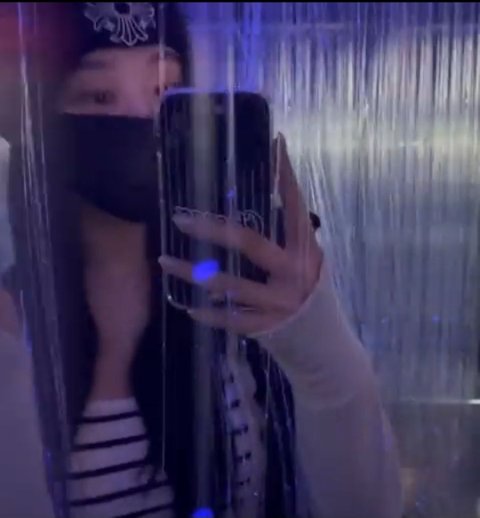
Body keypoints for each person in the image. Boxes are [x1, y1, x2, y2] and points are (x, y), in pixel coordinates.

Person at [9, 3, 403, 518]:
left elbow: (368, 508)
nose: (142, 118)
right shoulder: (13, 328)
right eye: (99, 95)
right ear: (37, 118)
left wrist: (317, 345)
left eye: (165, 91)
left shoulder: (243, 291)